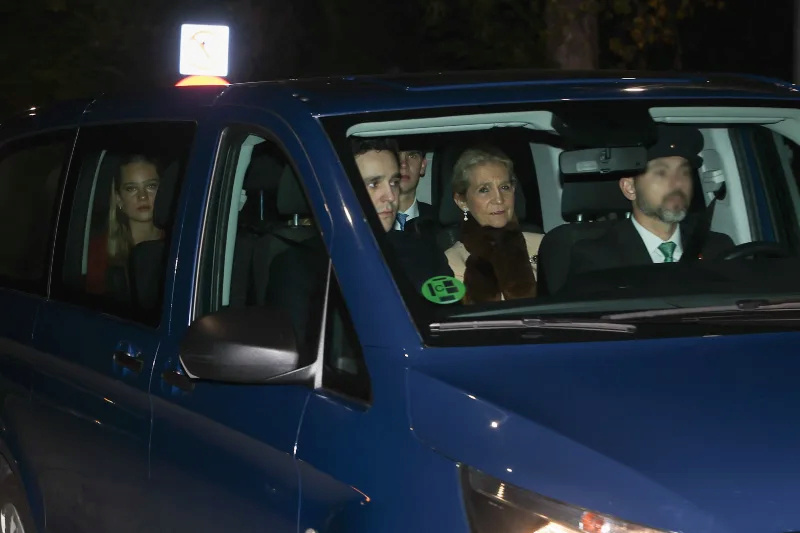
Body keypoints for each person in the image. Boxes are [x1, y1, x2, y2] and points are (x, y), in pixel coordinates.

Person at [264, 138, 451, 354]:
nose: (390, 196)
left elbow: (450, 332)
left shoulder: (424, 252)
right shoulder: (298, 267)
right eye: (374, 184)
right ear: (339, 191)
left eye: (393, 182)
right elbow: (298, 360)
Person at [568, 125, 734, 277]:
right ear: (629, 188)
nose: (677, 183)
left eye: (684, 172)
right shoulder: (598, 258)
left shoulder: (717, 248)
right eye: (661, 173)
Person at [445, 145, 543, 304]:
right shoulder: (449, 262)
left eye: (505, 187)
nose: (499, 199)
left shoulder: (545, 246)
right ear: (462, 202)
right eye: (484, 190)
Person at [87, 154, 163, 297]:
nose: (142, 196)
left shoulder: (179, 244)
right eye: (131, 188)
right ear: (119, 200)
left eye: (151, 186)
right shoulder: (99, 251)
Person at [393, 149, 434, 231]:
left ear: (423, 165)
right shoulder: (368, 221)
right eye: (396, 156)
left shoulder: (438, 221)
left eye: (412, 156)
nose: (404, 164)